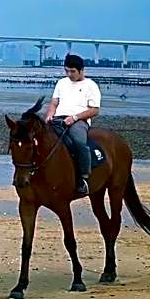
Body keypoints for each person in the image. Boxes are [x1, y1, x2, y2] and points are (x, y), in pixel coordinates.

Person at [44, 53, 101, 195]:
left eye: (73, 71)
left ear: (82, 70)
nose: (69, 74)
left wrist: (74, 118)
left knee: (79, 142)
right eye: (67, 71)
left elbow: (94, 110)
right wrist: (50, 114)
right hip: (58, 118)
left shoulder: (91, 86)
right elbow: (54, 102)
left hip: (79, 121)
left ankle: (83, 177)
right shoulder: (61, 83)